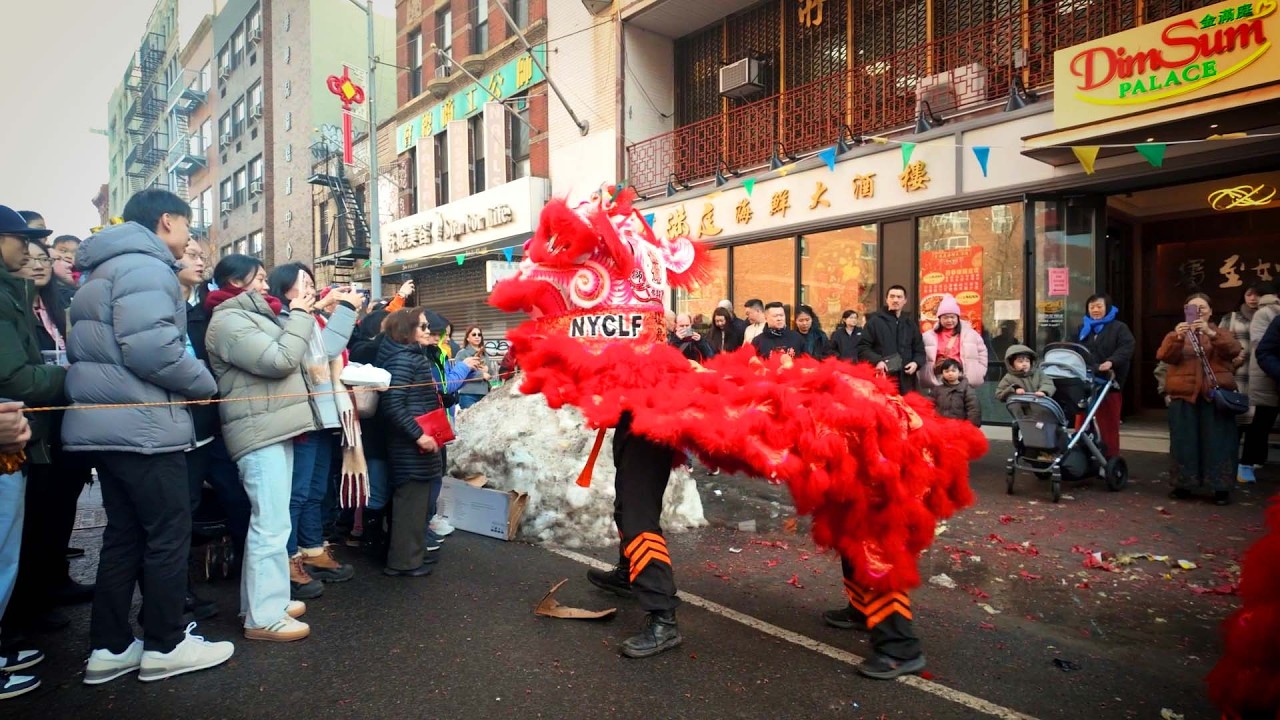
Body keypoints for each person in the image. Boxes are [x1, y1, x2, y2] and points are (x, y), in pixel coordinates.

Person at [61, 189, 234, 684]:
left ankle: (111, 646)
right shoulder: (146, 267)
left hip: (108, 427)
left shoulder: (101, 269)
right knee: (167, 534)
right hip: (144, 426)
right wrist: (204, 384)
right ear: (165, 222)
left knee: (124, 537)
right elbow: (153, 350)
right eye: (186, 226)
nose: (188, 237)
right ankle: (165, 643)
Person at [205, 254, 315, 642]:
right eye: (260, 278)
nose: (267, 286)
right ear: (236, 282)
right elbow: (281, 360)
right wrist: (300, 313)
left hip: (271, 427)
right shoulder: (229, 320)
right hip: (257, 431)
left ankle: (264, 602)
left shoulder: (255, 315)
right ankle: (263, 617)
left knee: (272, 521)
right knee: (269, 525)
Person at [3, 239, 93, 648]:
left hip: (63, 424)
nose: (36, 264)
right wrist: (69, 376)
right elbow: (19, 376)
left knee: (58, 511)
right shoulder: (13, 308)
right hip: (28, 430)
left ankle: (50, 586)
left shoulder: (60, 307)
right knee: (27, 523)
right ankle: (23, 609)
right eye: (32, 256)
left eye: (44, 258)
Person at [0, 207, 66, 699]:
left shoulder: (25, 296)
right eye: (21, 240)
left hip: (24, 435)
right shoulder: (7, 298)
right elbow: (17, 377)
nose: (28, 251)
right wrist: (69, 375)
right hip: (20, 434)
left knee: (17, 546)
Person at [267, 263, 362, 596]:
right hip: (302, 418)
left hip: (323, 417)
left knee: (316, 491)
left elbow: (328, 350)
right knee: (297, 493)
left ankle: (312, 549)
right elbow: (319, 353)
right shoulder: (283, 320)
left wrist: (336, 309)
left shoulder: (312, 318)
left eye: (311, 282)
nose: (309, 288)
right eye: (301, 283)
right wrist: (342, 308)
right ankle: (289, 559)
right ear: (283, 290)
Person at [178, 238, 250, 620]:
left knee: (238, 499)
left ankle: (246, 573)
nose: (200, 261)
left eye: (202, 256)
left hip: (217, 424)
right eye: (191, 255)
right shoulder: (162, 307)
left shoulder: (211, 310)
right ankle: (178, 593)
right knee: (181, 512)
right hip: (179, 428)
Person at [376, 308, 446, 577]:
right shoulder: (403, 359)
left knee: (416, 504)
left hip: (415, 441)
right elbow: (393, 404)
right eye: (423, 326)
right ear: (406, 331)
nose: (429, 331)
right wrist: (419, 434)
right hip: (411, 443)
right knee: (410, 503)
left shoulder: (408, 356)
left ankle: (411, 557)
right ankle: (404, 562)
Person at [1159, 293, 1242, 506]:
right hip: (1184, 395)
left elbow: (1233, 351)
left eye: (1202, 308)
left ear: (1211, 311)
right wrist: (1177, 338)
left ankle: (1220, 488)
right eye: (1192, 308)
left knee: (1219, 444)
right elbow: (1165, 356)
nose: (1198, 312)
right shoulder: (1176, 334)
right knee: (1184, 443)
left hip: (1214, 396)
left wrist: (1210, 333)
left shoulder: (1221, 332)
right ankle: (1183, 485)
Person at [1077, 293, 1135, 460]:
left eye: (1099, 306)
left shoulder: (1119, 328)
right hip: (1086, 380)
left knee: (1108, 423)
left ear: (1107, 308)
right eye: (1092, 307)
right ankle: (1083, 455)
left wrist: (1111, 362)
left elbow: (1127, 348)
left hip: (1109, 381)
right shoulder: (1083, 328)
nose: (1095, 310)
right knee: (1082, 420)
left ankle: (1110, 458)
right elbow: (1076, 349)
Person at [1219, 283, 1265, 483]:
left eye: (1258, 295)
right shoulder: (1231, 318)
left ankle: (1248, 465)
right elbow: (1218, 347)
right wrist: (1232, 360)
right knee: (1234, 423)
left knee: (1257, 425)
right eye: (1249, 294)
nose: (1253, 298)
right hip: (1237, 377)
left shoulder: (1269, 318)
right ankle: (1228, 464)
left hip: (1262, 379)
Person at [858, 286, 926, 394]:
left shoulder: (910, 324)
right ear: (886, 299)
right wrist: (877, 361)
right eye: (892, 296)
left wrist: (916, 363)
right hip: (883, 378)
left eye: (899, 297)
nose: (895, 300)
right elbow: (862, 348)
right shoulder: (874, 322)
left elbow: (919, 350)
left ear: (905, 301)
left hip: (906, 380)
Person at [1245, 286, 1280, 480]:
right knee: (1261, 422)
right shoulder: (1264, 314)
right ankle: (1249, 462)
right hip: (1266, 376)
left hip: (1270, 371)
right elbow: (1260, 346)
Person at [921, 294, 987, 392]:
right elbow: (920, 355)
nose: (949, 320)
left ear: (958, 318)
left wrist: (979, 371)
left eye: (952, 317)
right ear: (939, 318)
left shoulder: (970, 334)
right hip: (938, 379)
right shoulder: (928, 336)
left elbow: (982, 353)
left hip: (962, 379)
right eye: (945, 317)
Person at [455, 326, 498, 410]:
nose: (477, 336)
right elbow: (459, 373)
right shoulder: (462, 354)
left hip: (484, 394)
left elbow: (491, 374)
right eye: (474, 334)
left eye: (479, 334)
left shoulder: (484, 354)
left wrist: (487, 370)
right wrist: (481, 375)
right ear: (467, 338)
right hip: (468, 394)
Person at [932, 359, 980, 426]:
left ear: (960, 372)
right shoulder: (937, 389)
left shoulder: (967, 389)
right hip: (940, 426)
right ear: (942, 373)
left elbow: (973, 408)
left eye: (953, 371)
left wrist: (971, 426)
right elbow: (929, 405)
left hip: (960, 426)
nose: (950, 373)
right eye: (946, 371)